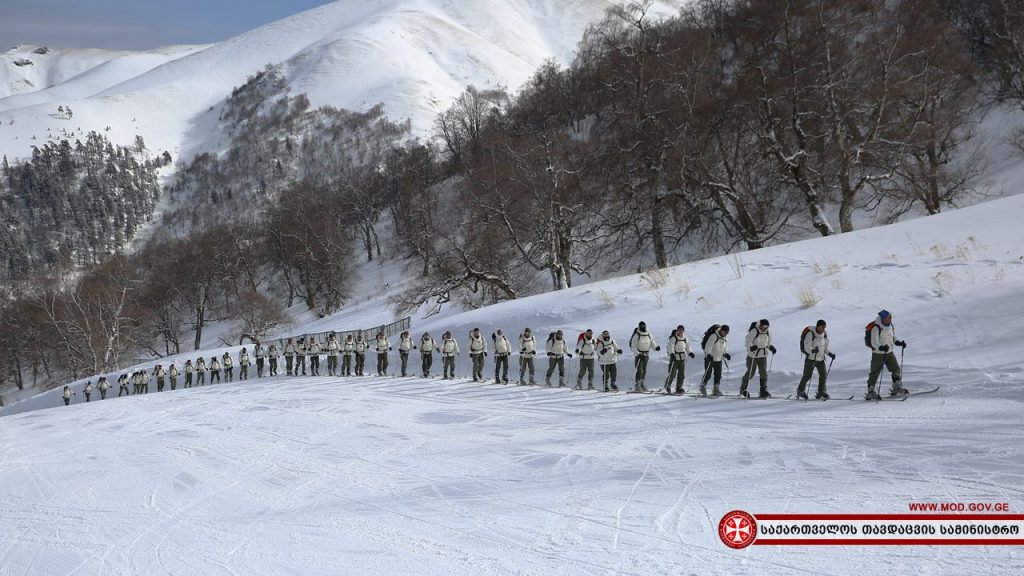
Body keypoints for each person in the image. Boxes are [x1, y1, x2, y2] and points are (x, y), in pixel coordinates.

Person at [866, 309, 907, 399]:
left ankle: (897, 387)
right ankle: (870, 391)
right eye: (889, 317)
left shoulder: (890, 325)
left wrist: (898, 342)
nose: (890, 319)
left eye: (890, 317)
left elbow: (892, 337)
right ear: (884, 318)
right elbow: (874, 341)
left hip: (889, 352)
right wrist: (880, 347)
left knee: (896, 369)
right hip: (878, 354)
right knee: (875, 372)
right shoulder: (876, 327)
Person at [797, 319, 836, 400]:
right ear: (818, 326)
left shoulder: (824, 334)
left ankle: (821, 392)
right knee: (807, 375)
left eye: (825, 327)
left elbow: (825, 348)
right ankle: (800, 390)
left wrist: (830, 354)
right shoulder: (810, 333)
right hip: (811, 358)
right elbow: (806, 345)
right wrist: (812, 350)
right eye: (822, 327)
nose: (823, 329)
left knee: (823, 375)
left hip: (820, 359)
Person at [740, 319, 776, 398]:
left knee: (763, 373)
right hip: (753, 355)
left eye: (767, 326)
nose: (765, 328)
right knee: (751, 372)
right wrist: (751, 347)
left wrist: (771, 347)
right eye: (764, 326)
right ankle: (743, 389)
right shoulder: (754, 331)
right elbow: (747, 342)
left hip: (763, 355)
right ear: (760, 325)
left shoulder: (768, 332)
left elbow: (768, 343)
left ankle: (763, 390)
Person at [701, 324, 731, 397]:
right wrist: (708, 354)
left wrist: (726, 353)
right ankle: (702, 386)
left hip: (719, 358)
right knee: (708, 373)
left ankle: (716, 389)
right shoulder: (714, 336)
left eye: (727, 333)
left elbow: (725, 347)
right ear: (721, 330)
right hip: (710, 358)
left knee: (718, 374)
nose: (726, 334)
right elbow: (708, 346)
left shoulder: (725, 338)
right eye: (725, 332)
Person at [629, 321, 660, 392]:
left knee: (644, 370)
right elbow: (633, 346)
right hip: (639, 355)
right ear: (639, 327)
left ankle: (642, 383)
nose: (643, 327)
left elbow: (652, 342)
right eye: (642, 326)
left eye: (644, 326)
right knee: (639, 370)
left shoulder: (648, 334)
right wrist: (637, 353)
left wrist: (655, 348)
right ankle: (637, 384)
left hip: (646, 354)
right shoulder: (637, 335)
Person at [665, 325, 695, 394]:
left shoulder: (685, 339)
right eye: (679, 330)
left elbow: (688, 347)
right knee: (672, 373)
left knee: (681, 374)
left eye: (682, 330)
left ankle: (679, 387)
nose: (681, 331)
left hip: (682, 358)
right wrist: (672, 354)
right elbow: (670, 346)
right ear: (677, 330)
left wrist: (690, 353)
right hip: (675, 358)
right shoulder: (674, 338)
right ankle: (668, 386)